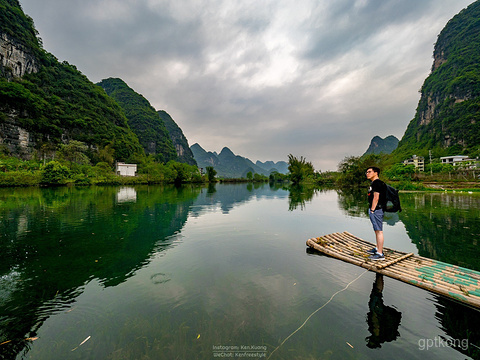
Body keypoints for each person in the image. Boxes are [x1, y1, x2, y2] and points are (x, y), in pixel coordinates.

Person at [365, 167, 387, 260]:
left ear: (376, 173)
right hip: (376, 209)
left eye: (369, 172)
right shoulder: (374, 183)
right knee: (376, 230)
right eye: (366, 172)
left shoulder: (377, 183)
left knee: (379, 231)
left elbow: (376, 197)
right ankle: (377, 248)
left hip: (377, 210)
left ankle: (380, 254)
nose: (367, 173)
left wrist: (373, 210)